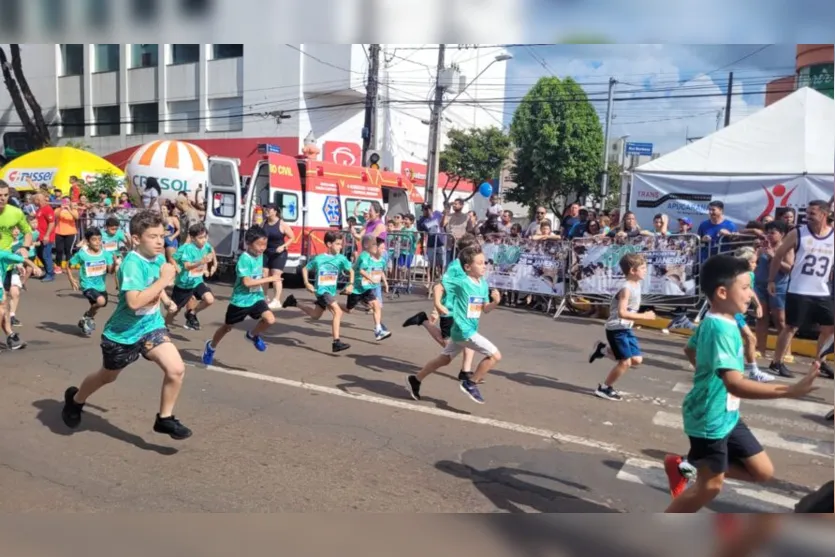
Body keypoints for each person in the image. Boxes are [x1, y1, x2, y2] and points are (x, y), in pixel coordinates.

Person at [661, 254, 820, 513]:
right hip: (709, 421)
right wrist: (791, 390)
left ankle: (688, 465)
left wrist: (708, 374)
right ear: (722, 292)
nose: (751, 294)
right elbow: (735, 384)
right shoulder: (720, 328)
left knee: (763, 472)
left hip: (727, 415)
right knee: (710, 488)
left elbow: (690, 350)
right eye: (745, 288)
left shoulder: (722, 320)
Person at [61, 210, 193, 440]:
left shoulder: (158, 257)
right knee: (107, 377)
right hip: (122, 333)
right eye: (153, 236)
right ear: (136, 239)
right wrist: (164, 280)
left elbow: (154, 286)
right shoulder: (132, 264)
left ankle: (164, 419)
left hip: (151, 325)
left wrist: (166, 300)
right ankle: (76, 399)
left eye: (162, 235)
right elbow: (134, 302)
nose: (160, 241)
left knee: (176, 369)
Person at [406, 247, 502, 404]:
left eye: (485, 263)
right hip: (464, 331)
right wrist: (437, 304)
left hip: (466, 330)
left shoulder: (483, 284)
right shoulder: (462, 282)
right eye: (479, 263)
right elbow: (439, 285)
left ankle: (415, 379)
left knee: (444, 359)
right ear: (468, 267)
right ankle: (470, 383)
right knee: (495, 355)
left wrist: (495, 302)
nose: (484, 266)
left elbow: (485, 309)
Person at [767, 199, 835, 379]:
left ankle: (820, 362)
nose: (808, 216)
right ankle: (776, 361)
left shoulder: (833, 234)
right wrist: (771, 280)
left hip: (822, 290)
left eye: (812, 213)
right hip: (799, 289)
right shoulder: (798, 233)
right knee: (791, 327)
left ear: (824, 214)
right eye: (807, 212)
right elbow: (778, 255)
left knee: (830, 328)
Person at [402, 234, 482, 382]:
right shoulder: (455, 267)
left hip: (465, 309)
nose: (478, 251)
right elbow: (441, 286)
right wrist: (436, 308)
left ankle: (466, 371)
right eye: (475, 248)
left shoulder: (473, 266)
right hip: (450, 309)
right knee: (448, 345)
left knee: (469, 338)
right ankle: (423, 320)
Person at [202, 226, 282, 365]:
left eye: (265, 244)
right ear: (249, 243)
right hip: (240, 301)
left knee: (270, 319)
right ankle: (211, 346)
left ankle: (252, 335)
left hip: (256, 297)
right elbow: (247, 282)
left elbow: (258, 273)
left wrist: (264, 291)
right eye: (259, 245)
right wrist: (269, 279)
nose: (262, 248)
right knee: (227, 327)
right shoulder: (244, 259)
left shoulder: (260, 255)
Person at [588, 253, 656, 401]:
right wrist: (644, 316)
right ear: (632, 271)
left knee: (637, 360)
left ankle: (603, 350)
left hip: (626, 328)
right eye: (643, 268)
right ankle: (604, 388)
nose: (645, 270)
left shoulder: (636, 284)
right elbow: (622, 313)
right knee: (625, 362)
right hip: (616, 328)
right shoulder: (626, 288)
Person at [286, 231, 353, 353]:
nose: (340, 246)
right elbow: (305, 269)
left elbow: (351, 271)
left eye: (341, 244)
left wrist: (350, 284)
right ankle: (336, 342)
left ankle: (294, 302)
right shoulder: (319, 259)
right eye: (338, 244)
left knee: (315, 316)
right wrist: (307, 283)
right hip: (322, 291)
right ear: (329, 244)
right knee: (338, 312)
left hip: (330, 292)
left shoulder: (341, 259)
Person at [339, 235, 391, 341]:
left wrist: (385, 283)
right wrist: (371, 279)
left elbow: (380, 271)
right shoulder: (364, 256)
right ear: (367, 246)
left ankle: (378, 330)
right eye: (375, 245)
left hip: (366, 288)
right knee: (349, 310)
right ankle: (333, 304)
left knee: (376, 305)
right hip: (356, 289)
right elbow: (362, 271)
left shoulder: (376, 258)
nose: (377, 248)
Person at [167, 222, 216, 331]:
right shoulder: (187, 248)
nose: (204, 240)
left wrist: (212, 266)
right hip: (183, 284)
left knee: (209, 299)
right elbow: (187, 266)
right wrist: (200, 262)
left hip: (197, 281)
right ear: (193, 238)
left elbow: (211, 252)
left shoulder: (206, 245)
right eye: (200, 238)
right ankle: (164, 325)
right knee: (174, 310)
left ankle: (191, 313)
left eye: (205, 237)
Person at [66, 227, 115, 336]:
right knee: (101, 301)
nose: (97, 242)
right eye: (94, 239)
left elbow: (110, 271)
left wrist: (115, 264)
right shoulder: (82, 254)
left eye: (99, 239)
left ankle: (86, 318)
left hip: (100, 286)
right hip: (87, 285)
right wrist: (71, 279)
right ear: (88, 242)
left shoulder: (106, 254)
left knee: (100, 304)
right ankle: (88, 318)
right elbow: (68, 265)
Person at [734, 247, 773, 382]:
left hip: (733, 312)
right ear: (745, 262)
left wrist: (757, 305)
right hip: (733, 313)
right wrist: (758, 305)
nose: (755, 265)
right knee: (751, 339)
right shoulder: (747, 275)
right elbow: (750, 291)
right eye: (753, 262)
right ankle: (753, 371)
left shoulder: (735, 273)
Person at [753, 220, 790, 359]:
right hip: (760, 285)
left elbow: (789, 268)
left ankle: (786, 352)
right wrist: (756, 251)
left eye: (773, 233)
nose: (769, 235)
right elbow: (754, 264)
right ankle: (760, 349)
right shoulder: (763, 247)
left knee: (780, 319)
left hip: (778, 286)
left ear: (782, 234)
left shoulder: (786, 248)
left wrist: (773, 256)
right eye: (767, 232)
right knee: (761, 317)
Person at [0, 246, 42, 349]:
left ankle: (10, 336)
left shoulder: (2, 254)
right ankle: (10, 335)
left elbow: (23, 259)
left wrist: (35, 267)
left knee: (3, 310)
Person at [262, 203, 295, 311]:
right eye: (266, 208)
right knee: (264, 275)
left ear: (275, 211)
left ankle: (276, 300)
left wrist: (283, 246)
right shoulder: (264, 223)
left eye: (268, 209)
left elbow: (292, 237)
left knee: (276, 276)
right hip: (266, 252)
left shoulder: (282, 224)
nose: (266, 210)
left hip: (279, 253)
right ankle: (264, 297)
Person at [100, 216, 130, 291]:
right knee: (109, 272)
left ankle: (119, 288)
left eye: (116, 229)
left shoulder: (119, 233)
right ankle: (99, 287)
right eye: (112, 229)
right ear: (106, 227)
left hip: (116, 255)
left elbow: (128, 245)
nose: (114, 231)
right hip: (104, 256)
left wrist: (128, 238)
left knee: (117, 269)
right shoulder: (101, 234)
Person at [33, 192, 56, 281]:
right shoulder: (39, 209)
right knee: (40, 254)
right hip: (40, 237)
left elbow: (52, 222)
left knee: (46, 255)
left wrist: (47, 235)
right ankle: (48, 271)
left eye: (34, 200)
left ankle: (50, 274)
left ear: (38, 200)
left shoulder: (47, 209)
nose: (33, 202)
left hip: (46, 237)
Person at [54, 196, 79, 272]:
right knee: (59, 250)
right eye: (64, 201)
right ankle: (58, 266)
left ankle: (68, 266)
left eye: (68, 201)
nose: (66, 203)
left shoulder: (74, 210)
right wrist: (61, 208)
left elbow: (76, 217)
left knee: (68, 250)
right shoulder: (58, 209)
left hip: (70, 233)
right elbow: (55, 216)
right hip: (59, 232)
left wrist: (69, 210)